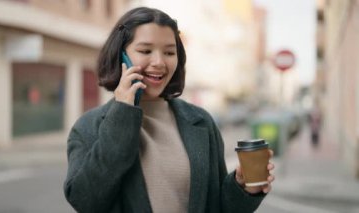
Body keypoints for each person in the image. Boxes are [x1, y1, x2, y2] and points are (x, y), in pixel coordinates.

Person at [63, 7, 275, 213]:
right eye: (145, 51)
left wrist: (242, 187)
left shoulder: (201, 121)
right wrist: (123, 113)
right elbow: (86, 201)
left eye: (169, 52)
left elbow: (217, 205)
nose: (159, 62)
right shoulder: (88, 127)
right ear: (121, 57)